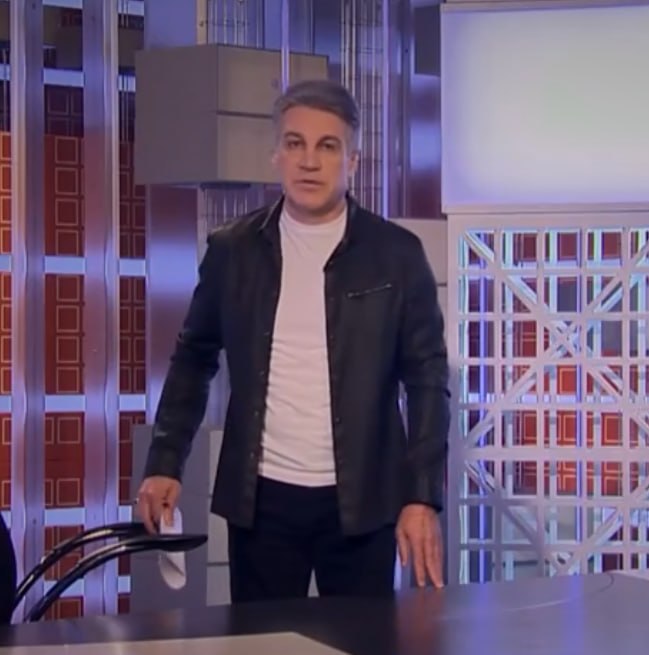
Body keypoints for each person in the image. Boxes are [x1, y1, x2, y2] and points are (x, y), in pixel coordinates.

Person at [135, 78, 450, 602]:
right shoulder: (233, 251)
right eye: (295, 143)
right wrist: (165, 462)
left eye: (327, 146)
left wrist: (422, 497)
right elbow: (193, 358)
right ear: (275, 155)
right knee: (262, 638)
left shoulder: (397, 255)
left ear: (352, 161)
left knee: (360, 639)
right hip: (262, 501)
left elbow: (428, 380)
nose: (309, 161)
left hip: (364, 502)